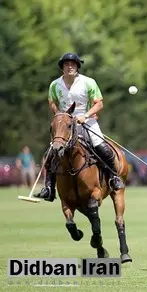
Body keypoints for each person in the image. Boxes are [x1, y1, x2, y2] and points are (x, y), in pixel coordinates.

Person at [34, 53, 124, 202]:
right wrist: (59, 115)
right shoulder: (55, 85)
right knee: (50, 153)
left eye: (73, 64)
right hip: (66, 125)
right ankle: (49, 188)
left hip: (86, 121)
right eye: (66, 64)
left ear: (77, 67)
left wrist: (86, 115)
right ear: (62, 67)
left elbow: (99, 103)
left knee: (101, 147)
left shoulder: (88, 82)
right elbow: (52, 102)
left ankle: (114, 177)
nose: (70, 67)